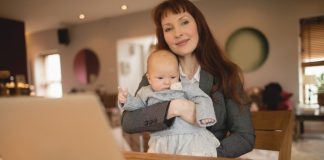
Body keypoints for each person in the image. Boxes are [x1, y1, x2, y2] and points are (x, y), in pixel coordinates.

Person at [120, 0, 255, 158]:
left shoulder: (226, 74)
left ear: (198, 24)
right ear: (163, 36)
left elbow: (245, 136)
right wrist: (174, 108)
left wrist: (203, 155)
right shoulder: (156, 76)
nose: (178, 33)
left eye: (184, 22)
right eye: (168, 28)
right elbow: (128, 122)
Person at [119, 49, 220, 157]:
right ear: (149, 78)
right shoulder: (145, 92)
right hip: (161, 140)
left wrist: (205, 115)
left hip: (189, 138)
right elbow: (138, 106)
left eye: (173, 77)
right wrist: (127, 100)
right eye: (160, 78)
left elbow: (201, 97)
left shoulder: (185, 86)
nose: (167, 82)